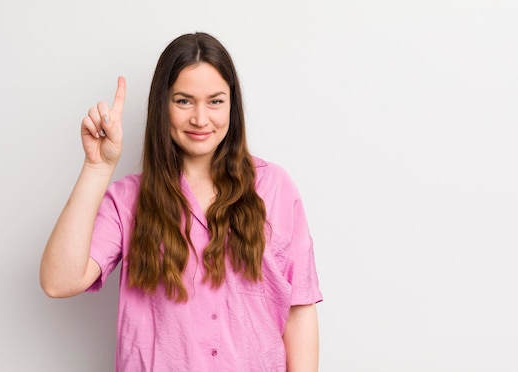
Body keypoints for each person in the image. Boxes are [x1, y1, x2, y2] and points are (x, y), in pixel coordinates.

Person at [40, 32, 322, 371]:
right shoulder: (128, 200)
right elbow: (59, 282)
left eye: (215, 101)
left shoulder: (275, 187)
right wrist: (97, 167)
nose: (200, 119)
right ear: (163, 105)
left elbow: (299, 308)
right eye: (184, 101)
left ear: (233, 105)